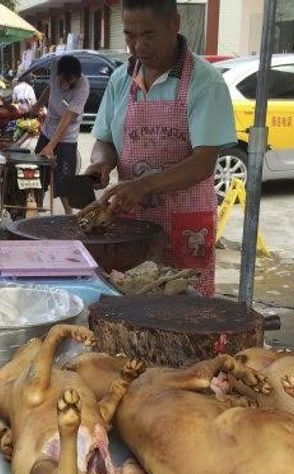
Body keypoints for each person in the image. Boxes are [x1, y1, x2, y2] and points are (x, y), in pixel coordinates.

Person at [85, 0, 236, 296]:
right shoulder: (120, 80)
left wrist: (144, 185)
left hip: (186, 225)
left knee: (183, 312)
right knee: (129, 304)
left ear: (174, 24)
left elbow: (204, 162)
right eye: (130, 35)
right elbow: (104, 140)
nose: (138, 45)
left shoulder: (205, 83)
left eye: (149, 35)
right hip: (129, 222)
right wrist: (101, 163)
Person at [30, 55, 89, 214]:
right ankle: (37, 205)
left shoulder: (82, 85)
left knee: (64, 179)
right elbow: (49, 89)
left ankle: (69, 215)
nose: (67, 85)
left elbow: (67, 118)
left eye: (71, 82)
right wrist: (37, 106)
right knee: (38, 171)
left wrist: (51, 146)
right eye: (65, 80)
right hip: (48, 130)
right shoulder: (56, 67)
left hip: (67, 137)